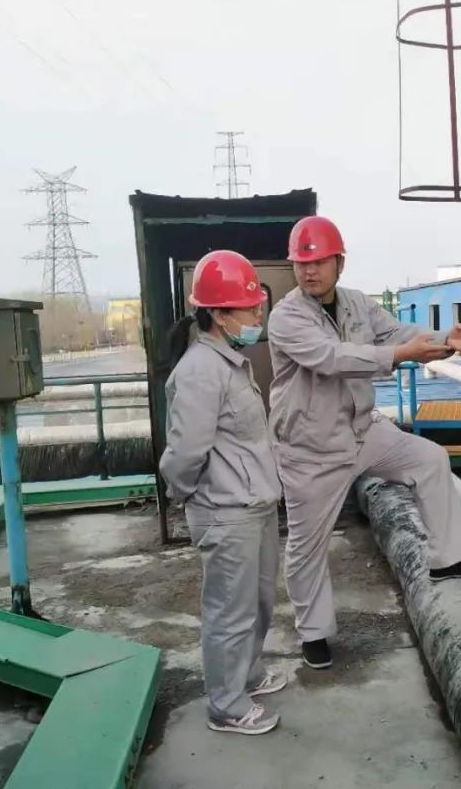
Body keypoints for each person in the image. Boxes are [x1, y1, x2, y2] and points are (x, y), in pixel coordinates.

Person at [268, 215, 461, 671]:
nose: (309, 271)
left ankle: (448, 558)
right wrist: (399, 355)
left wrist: (444, 339)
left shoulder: (356, 303)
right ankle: (314, 633)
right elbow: (332, 358)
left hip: (361, 429)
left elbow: (396, 334)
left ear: (340, 262)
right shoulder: (286, 317)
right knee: (308, 546)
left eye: (319, 262)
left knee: (429, 458)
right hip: (312, 448)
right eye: (301, 263)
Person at [158, 250, 285, 735]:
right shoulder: (200, 371)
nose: (257, 314)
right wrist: (192, 496)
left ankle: (247, 674)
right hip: (227, 511)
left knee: (257, 602)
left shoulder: (230, 362)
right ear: (217, 313)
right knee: (230, 612)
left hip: (254, 505)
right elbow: (185, 453)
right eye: (249, 307)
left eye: (257, 305)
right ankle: (226, 706)